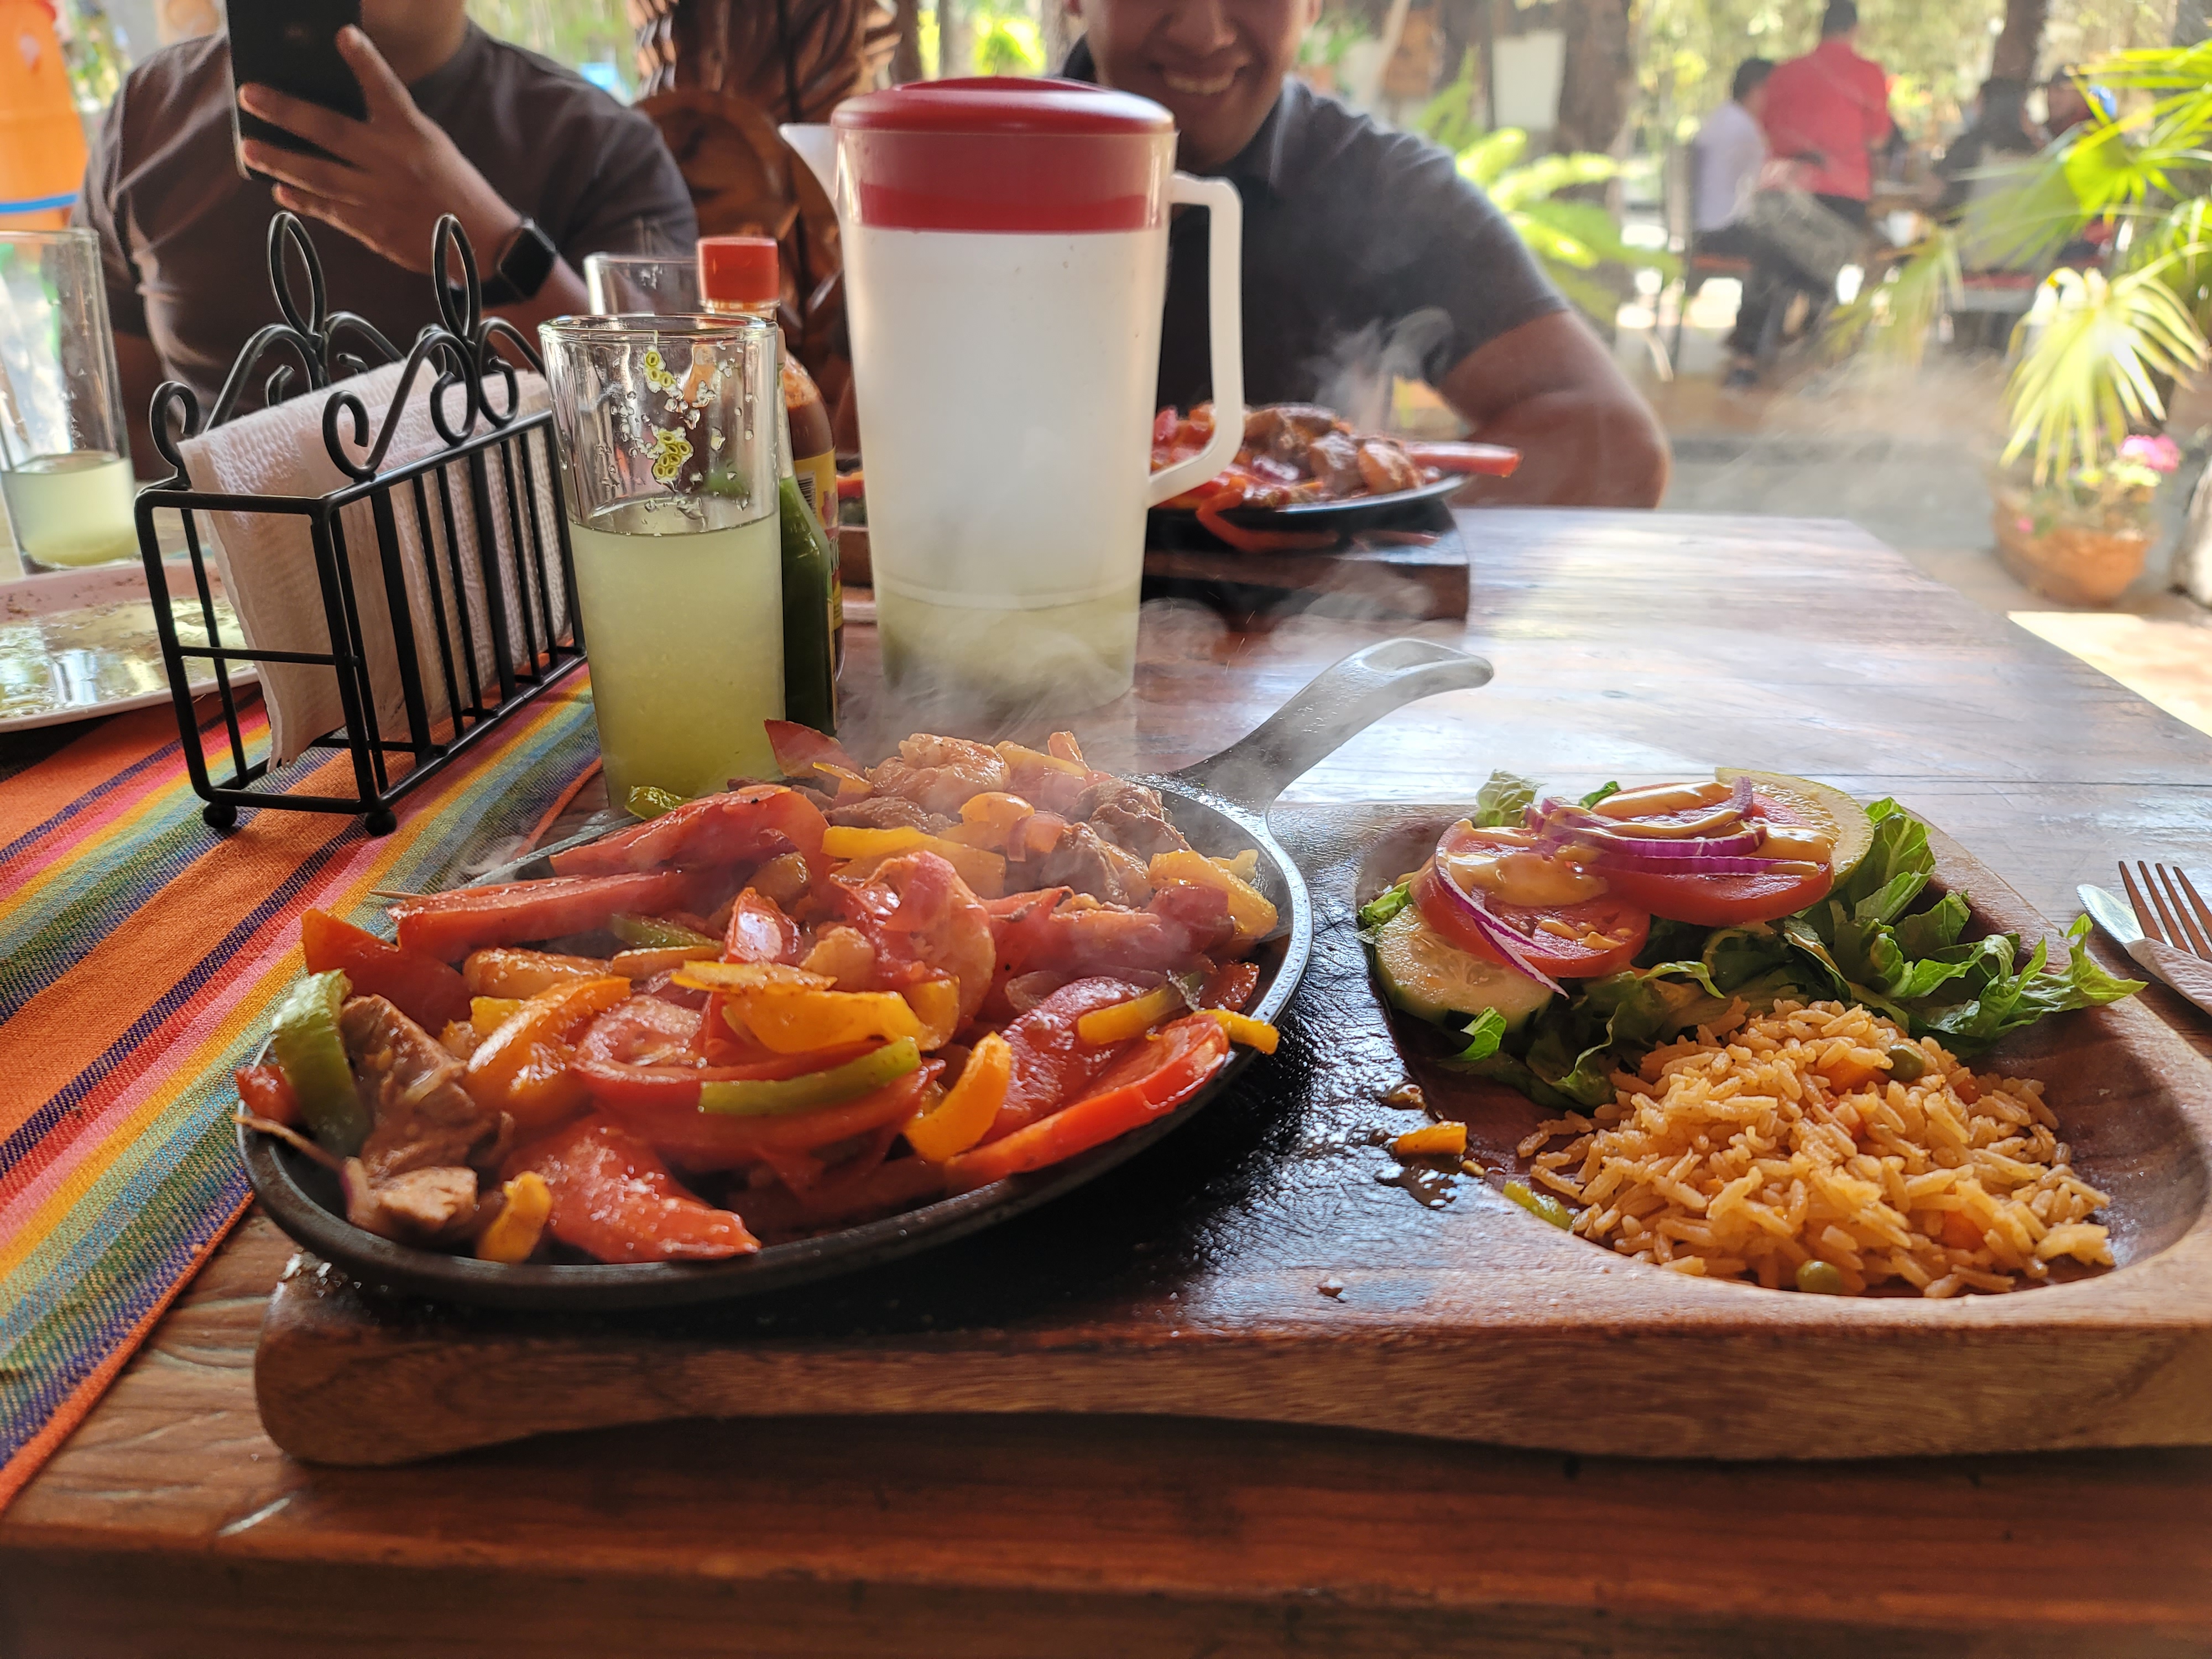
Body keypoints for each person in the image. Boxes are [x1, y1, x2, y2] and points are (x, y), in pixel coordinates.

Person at [1062, 0, 1668, 508]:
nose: (1206, 31)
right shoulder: (974, 163)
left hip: (1300, 641)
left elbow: (1615, 443)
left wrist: (1351, 537)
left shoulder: (1382, 187)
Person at [77, 2, 697, 474]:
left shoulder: (602, 149)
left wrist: (488, 244)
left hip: (524, 610)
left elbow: (670, 443)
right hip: (215, 611)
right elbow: (112, 418)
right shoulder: (147, 117)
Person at [1723, 0, 1888, 389]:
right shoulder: (1869, 73)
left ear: (1820, 29)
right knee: (1824, 273)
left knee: (1767, 270)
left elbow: (1768, 130)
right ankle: (1814, 369)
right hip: (1842, 192)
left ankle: (1744, 362)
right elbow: (1878, 137)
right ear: (1854, 30)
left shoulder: (1785, 73)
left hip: (1785, 188)